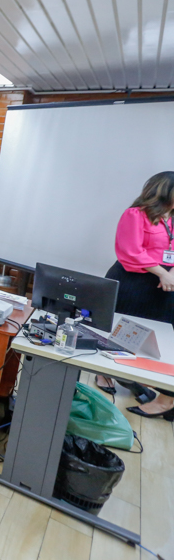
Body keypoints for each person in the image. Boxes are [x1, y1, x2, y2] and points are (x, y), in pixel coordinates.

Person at [98, 171, 174, 419]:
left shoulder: (172, 218)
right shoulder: (136, 214)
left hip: (165, 284)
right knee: (121, 331)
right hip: (135, 280)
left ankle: (163, 395)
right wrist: (162, 272)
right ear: (165, 191)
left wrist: (169, 275)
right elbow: (130, 251)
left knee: (160, 339)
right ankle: (107, 371)